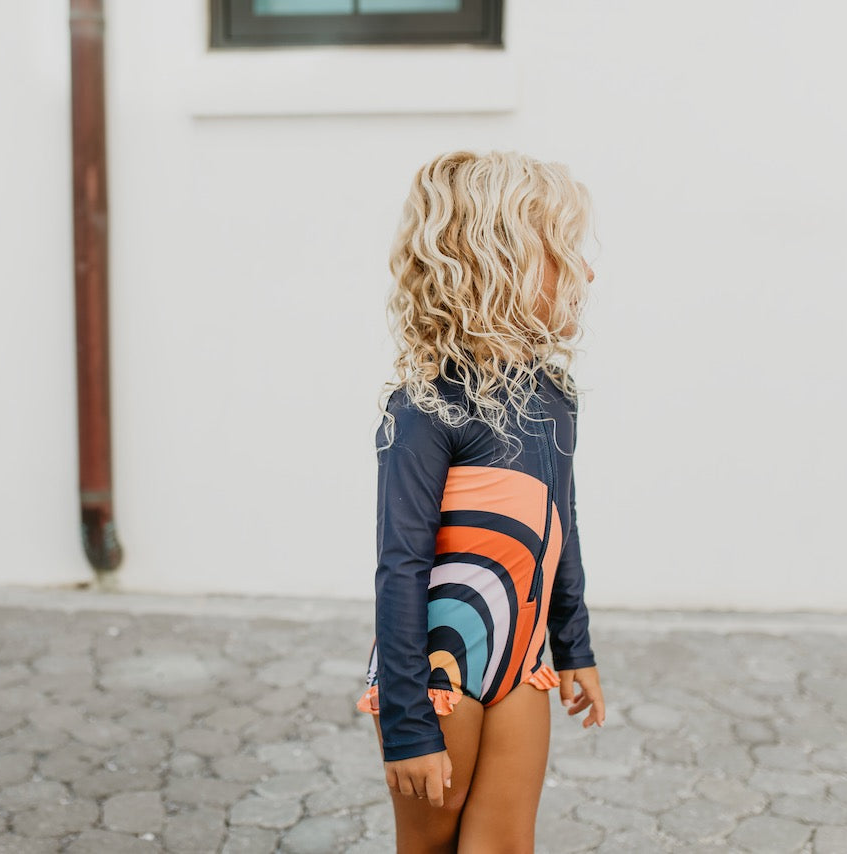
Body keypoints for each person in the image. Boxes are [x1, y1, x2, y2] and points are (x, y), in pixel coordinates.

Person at [353, 149, 607, 853]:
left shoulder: (555, 399)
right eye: (565, 253)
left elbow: (563, 528)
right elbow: (400, 565)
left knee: (505, 844)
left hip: (522, 662)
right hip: (439, 678)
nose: (587, 273)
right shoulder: (423, 410)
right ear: (502, 265)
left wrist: (575, 648)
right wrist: (408, 725)